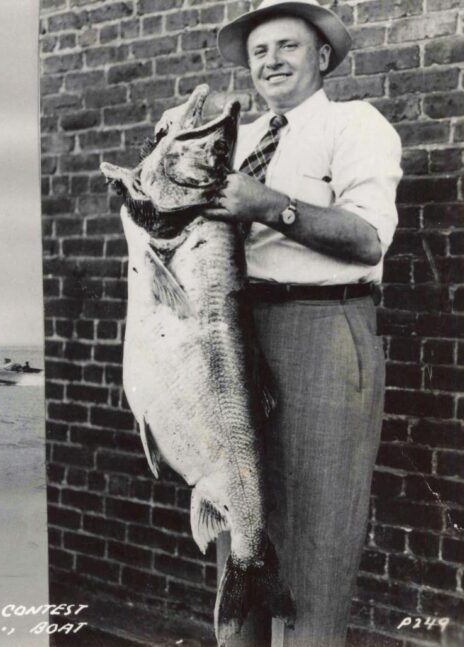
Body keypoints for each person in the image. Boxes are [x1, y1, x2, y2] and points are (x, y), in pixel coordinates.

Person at [175, 1, 401, 645]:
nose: (270, 62)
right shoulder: (237, 137)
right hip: (235, 333)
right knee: (239, 511)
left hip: (322, 329)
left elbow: (366, 240)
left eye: (287, 47)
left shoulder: (355, 124)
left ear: (322, 57)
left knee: (317, 530)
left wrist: (270, 205)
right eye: (259, 52)